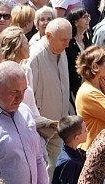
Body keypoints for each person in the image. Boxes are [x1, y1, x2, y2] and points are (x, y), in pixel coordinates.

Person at [26, 18, 74, 174]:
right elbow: (27, 96)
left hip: (59, 125)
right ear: (48, 35)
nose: (67, 45)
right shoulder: (35, 56)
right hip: (41, 130)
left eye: (69, 40)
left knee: (55, 170)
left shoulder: (62, 51)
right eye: (63, 40)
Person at [52, 115, 87, 184]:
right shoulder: (69, 161)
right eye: (85, 130)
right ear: (77, 138)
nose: (87, 131)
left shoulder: (74, 154)